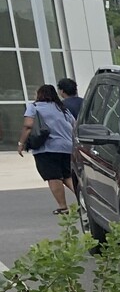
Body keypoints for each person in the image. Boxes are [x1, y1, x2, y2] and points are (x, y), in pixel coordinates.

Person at [16, 84, 79, 215]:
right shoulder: (63, 109)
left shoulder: (34, 107)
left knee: (53, 177)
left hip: (47, 148)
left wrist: (21, 143)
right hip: (66, 147)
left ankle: (63, 206)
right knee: (67, 176)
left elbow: (28, 126)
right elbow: (74, 126)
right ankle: (83, 199)